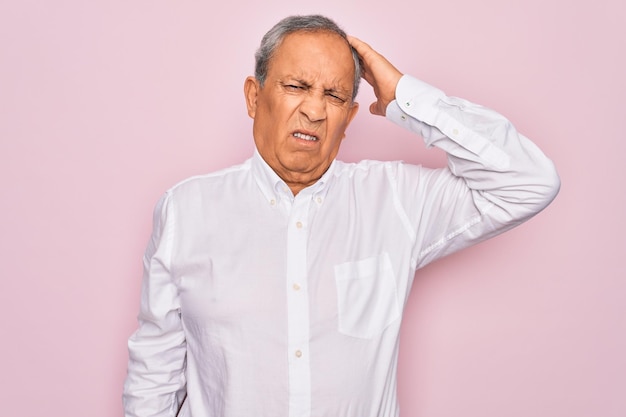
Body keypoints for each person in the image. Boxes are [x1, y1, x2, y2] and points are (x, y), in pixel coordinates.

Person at [123, 14, 560, 417]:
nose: (314, 110)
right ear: (254, 97)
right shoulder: (187, 210)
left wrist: (404, 96)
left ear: (349, 117)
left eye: (333, 95)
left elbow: (529, 181)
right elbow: (155, 375)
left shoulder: (396, 200)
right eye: (296, 86)